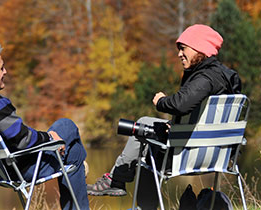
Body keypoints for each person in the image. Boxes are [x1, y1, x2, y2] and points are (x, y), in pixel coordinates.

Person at [86, 24, 242, 197]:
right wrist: (175, 126)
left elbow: (180, 104)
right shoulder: (226, 79)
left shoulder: (206, 78)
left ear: (200, 48)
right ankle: (117, 181)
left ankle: (117, 181)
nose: (179, 54)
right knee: (149, 132)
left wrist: (161, 101)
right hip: (219, 156)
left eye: (183, 49)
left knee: (146, 137)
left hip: (190, 157)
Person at [0, 43, 90, 210]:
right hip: (19, 169)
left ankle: (78, 165)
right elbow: (24, 140)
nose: (5, 72)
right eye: (1, 68)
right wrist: (50, 137)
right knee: (67, 129)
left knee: (73, 153)